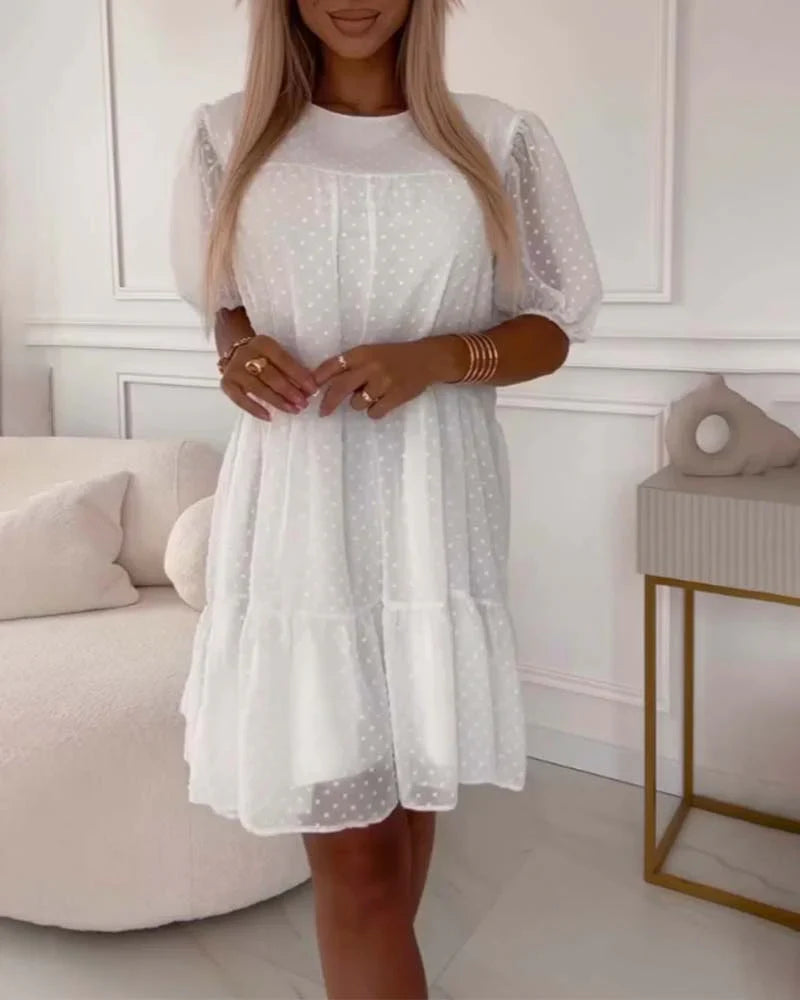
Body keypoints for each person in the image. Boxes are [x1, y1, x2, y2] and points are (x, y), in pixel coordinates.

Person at [170, 1, 602, 996]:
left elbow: (552, 326)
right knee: (359, 864)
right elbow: (226, 303)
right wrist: (238, 351)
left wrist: (441, 356)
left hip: (432, 514)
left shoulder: (498, 139)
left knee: (408, 800)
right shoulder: (223, 136)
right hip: (299, 518)